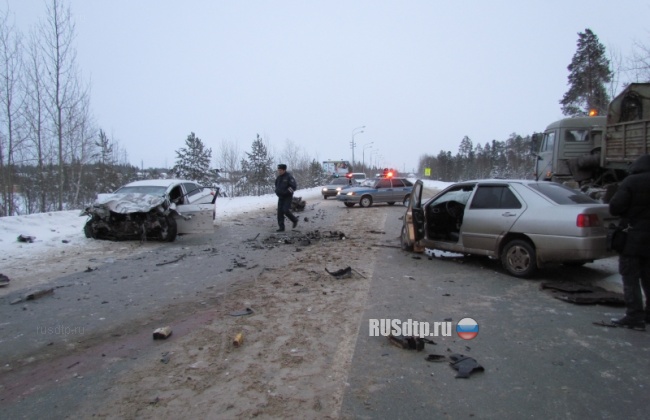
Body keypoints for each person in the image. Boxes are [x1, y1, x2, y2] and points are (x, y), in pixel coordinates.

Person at [608, 154, 650, 331]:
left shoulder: (631, 181)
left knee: (630, 277)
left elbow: (615, 207)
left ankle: (634, 316)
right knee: (649, 277)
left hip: (633, 238)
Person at [274, 164, 299, 232]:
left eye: (280, 170)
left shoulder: (289, 177)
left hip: (287, 197)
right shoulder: (278, 178)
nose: (279, 171)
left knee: (285, 210)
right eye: (278, 170)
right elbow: (276, 186)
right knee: (280, 212)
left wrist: (286, 192)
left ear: (284, 170)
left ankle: (294, 220)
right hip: (281, 197)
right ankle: (281, 227)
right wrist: (277, 192)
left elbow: (293, 187)